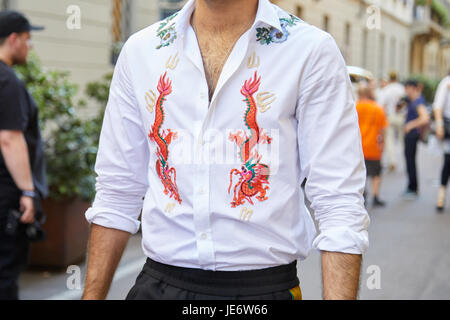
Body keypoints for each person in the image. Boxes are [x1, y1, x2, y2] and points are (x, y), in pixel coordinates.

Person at [82, 0, 370, 300]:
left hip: (261, 292)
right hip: (157, 286)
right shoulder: (142, 50)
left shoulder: (310, 51)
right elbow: (117, 192)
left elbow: (339, 203)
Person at [0, 11, 47, 300]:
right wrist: (28, 191)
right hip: (6, 196)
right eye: (28, 40)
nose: (30, 47)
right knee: (5, 272)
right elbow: (9, 138)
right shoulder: (8, 82)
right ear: (14, 39)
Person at [356, 83, 388, 208]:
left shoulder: (354, 107)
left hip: (358, 147)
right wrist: (382, 145)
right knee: (376, 173)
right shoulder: (377, 108)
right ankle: (375, 196)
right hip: (373, 146)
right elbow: (383, 129)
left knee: (360, 173)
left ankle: (363, 194)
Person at [401, 80, 430, 199]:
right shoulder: (413, 100)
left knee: (410, 161)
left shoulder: (418, 101)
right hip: (411, 135)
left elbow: (425, 118)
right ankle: (412, 187)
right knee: (410, 161)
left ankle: (412, 187)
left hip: (412, 135)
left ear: (412, 88)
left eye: (407, 88)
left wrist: (410, 125)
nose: (405, 91)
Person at [378, 71, 406, 172]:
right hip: (401, 117)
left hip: (389, 117)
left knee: (389, 140)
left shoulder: (386, 90)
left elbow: (381, 106)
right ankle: (405, 160)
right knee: (403, 140)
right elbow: (406, 102)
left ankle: (392, 161)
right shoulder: (402, 89)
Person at [433, 72, 450, 212]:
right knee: (448, 161)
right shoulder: (446, 82)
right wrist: (439, 125)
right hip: (448, 126)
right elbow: (438, 106)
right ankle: (441, 195)